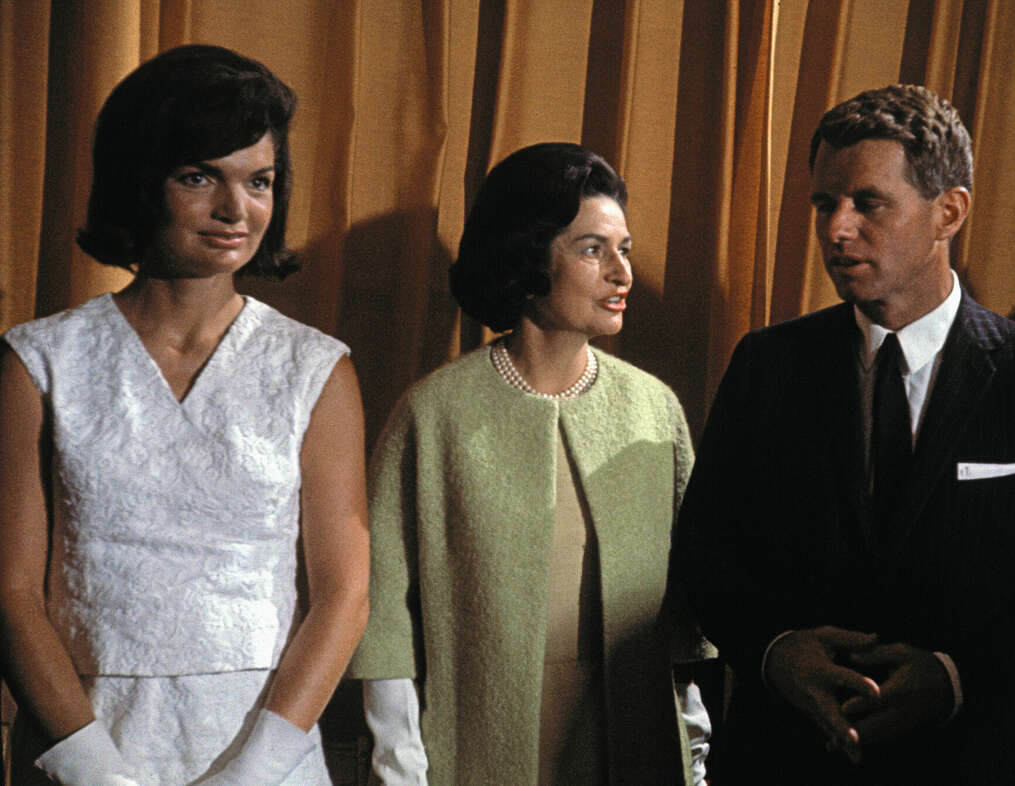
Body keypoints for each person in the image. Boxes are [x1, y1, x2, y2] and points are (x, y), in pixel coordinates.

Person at [673, 84, 1015, 784]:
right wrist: (774, 651)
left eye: (866, 202)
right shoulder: (767, 366)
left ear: (950, 211)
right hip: (780, 761)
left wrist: (954, 679)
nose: (835, 229)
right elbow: (705, 550)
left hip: (958, 763)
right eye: (824, 203)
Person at [0, 45, 369, 785]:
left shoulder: (314, 368)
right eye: (201, 177)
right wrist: (95, 772)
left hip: (262, 747)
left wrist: (252, 772)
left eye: (259, 181)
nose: (237, 210)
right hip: (86, 741)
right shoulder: (39, 362)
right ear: (143, 181)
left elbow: (343, 593)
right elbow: (12, 593)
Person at [348, 142, 713, 785]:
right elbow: (383, 624)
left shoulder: (654, 411)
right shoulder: (434, 415)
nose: (622, 273)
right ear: (526, 254)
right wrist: (399, 767)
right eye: (592, 248)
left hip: (631, 751)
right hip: (479, 755)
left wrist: (695, 753)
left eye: (623, 248)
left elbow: (684, 623)